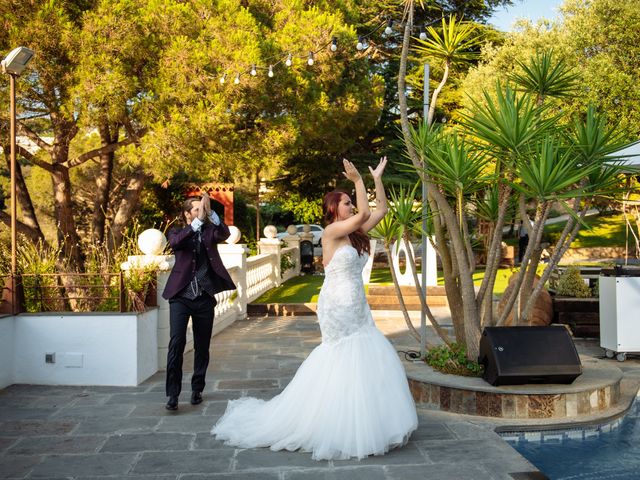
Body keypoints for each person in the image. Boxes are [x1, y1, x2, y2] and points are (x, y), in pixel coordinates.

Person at [212, 157, 418, 460]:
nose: (351, 206)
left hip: (357, 304)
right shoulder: (331, 232)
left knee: (364, 354)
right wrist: (357, 181)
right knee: (342, 354)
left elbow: (381, 211)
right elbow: (364, 212)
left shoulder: (355, 235)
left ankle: (360, 418)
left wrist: (375, 180)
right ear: (334, 209)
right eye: (346, 202)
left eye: (350, 202)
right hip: (337, 305)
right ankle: (333, 421)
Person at [163, 192, 236, 411]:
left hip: (204, 297)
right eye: (196, 210)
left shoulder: (209, 231)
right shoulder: (176, 231)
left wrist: (211, 213)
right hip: (180, 297)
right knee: (176, 344)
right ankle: (173, 395)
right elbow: (175, 243)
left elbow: (224, 233)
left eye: (201, 209)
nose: (200, 213)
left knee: (202, 346)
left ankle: (197, 389)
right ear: (187, 214)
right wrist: (195, 223)